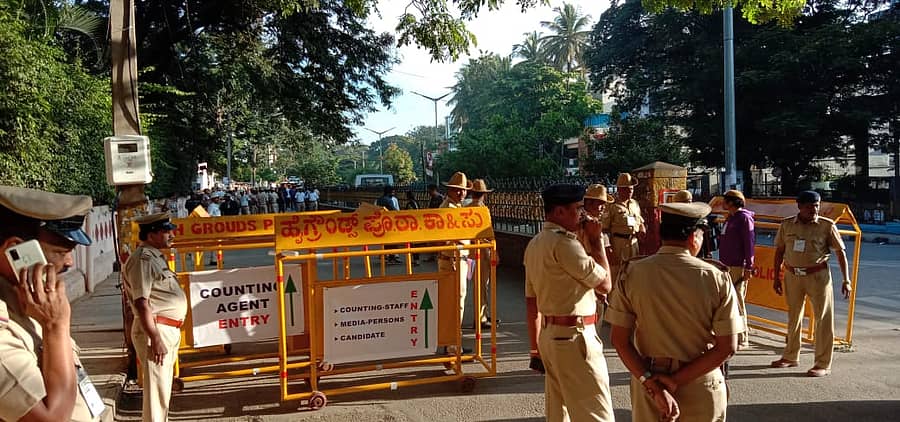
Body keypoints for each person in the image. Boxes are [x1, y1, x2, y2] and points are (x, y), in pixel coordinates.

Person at [606, 202, 743, 422]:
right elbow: (727, 347)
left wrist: (652, 384)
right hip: (700, 381)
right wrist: (676, 380)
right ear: (693, 237)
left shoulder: (632, 273)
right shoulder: (716, 278)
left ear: (662, 234)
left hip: (649, 383)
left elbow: (619, 340)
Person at [0, 186, 104, 422]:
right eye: (59, 252)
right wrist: (56, 326)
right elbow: (50, 419)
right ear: (14, 250)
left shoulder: (29, 302)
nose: (69, 262)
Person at [524, 183, 614, 422]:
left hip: (550, 337)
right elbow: (605, 285)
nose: (582, 215)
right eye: (577, 209)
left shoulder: (534, 244)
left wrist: (535, 349)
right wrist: (596, 242)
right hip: (574, 337)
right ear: (559, 212)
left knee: (559, 411)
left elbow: (532, 303)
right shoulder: (566, 244)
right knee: (596, 413)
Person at [771, 190, 852, 377]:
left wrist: (846, 280)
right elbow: (779, 251)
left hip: (818, 276)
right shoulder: (787, 225)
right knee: (794, 316)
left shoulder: (826, 225)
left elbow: (841, 253)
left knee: (823, 319)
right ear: (799, 207)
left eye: (816, 206)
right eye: (809, 206)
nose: (813, 210)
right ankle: (790, 356)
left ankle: (823, 363)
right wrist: (777, 276)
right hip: (792, 275)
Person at [124, 213, 188, 422]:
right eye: (166, 231)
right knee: (156, 392)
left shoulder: (153, 258)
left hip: (164, 329)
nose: (172, 234)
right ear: (151, 235)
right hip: (156, 330)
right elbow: (142, 303)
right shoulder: (143, 260)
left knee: (162, 389)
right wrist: (156, 338)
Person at [718, 189, 755, 349]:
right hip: (726, 264)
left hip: (738, 265)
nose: (723, 204)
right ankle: (734, 333)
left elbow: (749, 244)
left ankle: (743, 337)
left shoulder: (744, 218)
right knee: (729, 301)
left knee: (738, 301)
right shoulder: (731, 218)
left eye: (725, 201)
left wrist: (749, 266)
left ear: (732, 202)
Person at [466, 179, 500, 329]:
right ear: (484, 194)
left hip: (468, 254)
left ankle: (483, 314)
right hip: (481, 253)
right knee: (482, 287)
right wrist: (494, 252)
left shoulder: (466, 208)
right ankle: (480, 318)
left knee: (475, 286)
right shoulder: (482, 210)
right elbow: (487, 234)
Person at [439, 173, 471, 330]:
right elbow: (443, 237)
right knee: (455, 300)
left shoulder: (457, 207)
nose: (461, 193)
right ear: (450, 190)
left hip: (460, 259)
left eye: (463, 190)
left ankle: (453, 340)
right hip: (452, 259)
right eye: (458, 190)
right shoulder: (448, 209)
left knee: (457, 300)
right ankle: (452, 343)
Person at [602, 173, 646, 281]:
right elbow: (604, 229)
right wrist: (608, 248)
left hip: (633, 243)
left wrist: (642, 230)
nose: (630, 191)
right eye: (626, 189)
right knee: (618, 274)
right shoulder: (611, 205)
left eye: (631, 189)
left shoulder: (634, 204)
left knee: (633, 274)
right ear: (619, 189)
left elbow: (640, 221)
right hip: (618, 244)